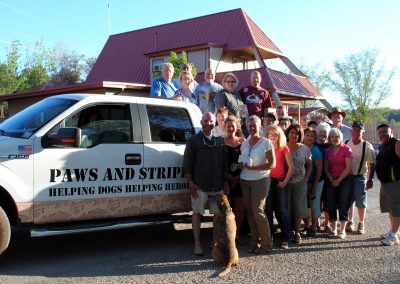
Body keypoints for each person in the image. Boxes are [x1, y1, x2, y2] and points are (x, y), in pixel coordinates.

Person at [183, 112, 228, 255]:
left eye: (211, 121)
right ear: (201, 121)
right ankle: (197, 244)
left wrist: (226, 181)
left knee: (217, 215)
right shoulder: (194, 141)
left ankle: (214, 242)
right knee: (197, 213)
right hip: (199, 185)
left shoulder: (220, 141)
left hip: (217, 185)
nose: (208, 123)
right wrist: (190, 181)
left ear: (215, 123)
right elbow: (187, 163)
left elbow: (224, 164)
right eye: (206, 120)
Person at [239, 115, 275, 254]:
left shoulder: (266, 142)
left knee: (258, 212)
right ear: (247, 127)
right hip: (245, 179)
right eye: (250, 126)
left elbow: (272, 164)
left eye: (255, 125)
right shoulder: (244, 143)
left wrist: (254, 168)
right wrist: (240, 165)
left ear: (260, 127)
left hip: (260, 180)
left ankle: (267, 244)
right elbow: (241, 160)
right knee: (250, 212)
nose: (252, 128)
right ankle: (254, 242)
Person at [265, 125, 294, 249]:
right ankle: (269, 237)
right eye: (271, 134)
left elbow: (291, 168)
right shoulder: (265, 147)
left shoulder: (284, 148)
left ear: (279, 135)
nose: (273, 136)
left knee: (283, 210)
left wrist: (285, 182)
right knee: (268, 210)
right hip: (267, 181)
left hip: (280, 181)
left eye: (275, 134)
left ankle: (286, 237)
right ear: (267, 135)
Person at [345, 121, 375, 234]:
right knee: (348, 200)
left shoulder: (367, 146)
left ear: (363, 133)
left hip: (360, 177)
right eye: (354, 130)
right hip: (347, 177)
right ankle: (350, 221)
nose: (356, 132)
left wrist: (370, 179)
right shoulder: (346, 143)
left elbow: (372, 164)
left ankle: (361, 222)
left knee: (361, 202)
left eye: (359, 130)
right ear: (350, 131)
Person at [285, 124, 312, 244]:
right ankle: (286, 232)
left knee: (298, 208)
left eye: (296, 133)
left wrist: (306, 178)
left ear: (300, 135)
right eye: (291, 132)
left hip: (300, 181)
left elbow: (310, 165)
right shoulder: (283, 146)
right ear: (287, 133)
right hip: (285, 182)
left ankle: (297, 232)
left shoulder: (304, 149)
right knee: (286, 208)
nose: (294, 135)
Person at [324, 128, 353, 239]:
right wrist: (332, 180)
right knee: (331, 203)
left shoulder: (347, 149)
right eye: (332, 137)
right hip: (331, 179)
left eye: (337, 137)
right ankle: (333, 229)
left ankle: (342, 230)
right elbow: (326, 168)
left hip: (345, 179)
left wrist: (338, 180)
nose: (334, 139)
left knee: (343, 203)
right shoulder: (328, 151)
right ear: (329, 138)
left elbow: (348, 167)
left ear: (341, 138)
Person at [375, 123, 400, 246]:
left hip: (395, 183)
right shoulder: (383, 146)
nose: (382, 134)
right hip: (385, 183)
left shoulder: (397, 144)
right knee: (390, 208)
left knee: (396, 209)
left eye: (385, 131)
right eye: (380, 132)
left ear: (391, 132)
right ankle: (394, 231)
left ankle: (394, 236)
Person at [224, 115, 246, 242]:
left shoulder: (243, 141)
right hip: (225, 180)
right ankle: (226, 234)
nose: (231, 128)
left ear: (236, 126)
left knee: (240, 209)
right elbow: (219, 162)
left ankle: (236, 234)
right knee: (225, 210)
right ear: (225, 127)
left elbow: (247, 160)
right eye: (228, 126)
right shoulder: (221, 141)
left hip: (240, 178)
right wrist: (227, 177)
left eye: (233, 125)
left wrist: (238, 177)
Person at [302, 128, 323, 237]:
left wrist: (315, 186)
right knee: (304, 204)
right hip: (302, 182)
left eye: (311, 136)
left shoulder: (315, 150)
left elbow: (319, 170)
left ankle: (314, 227)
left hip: (316, 181)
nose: (309, 137)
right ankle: (306, 225)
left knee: (314, 205)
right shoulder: (300, 147)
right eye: (307, 135)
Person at [314, 122, 332, 232]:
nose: (322, 134)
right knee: (316, 200)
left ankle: (327, 223)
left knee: (327, 200)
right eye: (320, 132)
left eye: (325, 132)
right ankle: (316, 222)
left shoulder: (330, 145)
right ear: (317, 133)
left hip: (328, 176)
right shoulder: (314, 144)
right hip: (316, 176)